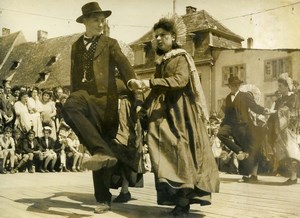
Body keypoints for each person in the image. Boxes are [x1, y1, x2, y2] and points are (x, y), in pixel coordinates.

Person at [130, 17, 220, 216]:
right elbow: (157, 88)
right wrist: (143, 108)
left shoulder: (181, 57)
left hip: (181, 112)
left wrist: (148, 83)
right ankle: (178, 199)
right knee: (160, 148)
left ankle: (183, 202)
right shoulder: (162, 60)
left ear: (173, 37)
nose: (159, 39)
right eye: (156, 36)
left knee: (180, 151)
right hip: (164, 112)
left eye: (163, 35)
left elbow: (180, 81)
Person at [62, 2, 142, 214]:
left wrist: (133, 85)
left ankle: (103, 199)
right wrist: (75, 95)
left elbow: (125, 67)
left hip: (106, 104)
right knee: (69, 105)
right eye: (96, 19)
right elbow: (73, 76)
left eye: (102, 19)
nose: (101, 23)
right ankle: (100, 150)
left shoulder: (110, 43)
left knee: (103, 151)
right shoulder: (76, 46)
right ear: (85, 22)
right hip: (85, 97)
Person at [217, 75, 270, 183]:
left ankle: (249, 175)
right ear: (229, 86)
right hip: (232, 125)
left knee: (248, 150)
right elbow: (227, 114)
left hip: (244, 127)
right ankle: (239, 151)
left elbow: (254, 107)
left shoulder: (245, 95)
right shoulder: (227, 98)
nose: (235, 86)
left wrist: (264, 110)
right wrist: (222, 125)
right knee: (220, 134)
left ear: (239, 85)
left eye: (237, 85)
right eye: (232, 85)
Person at [266, 73, 299, 185]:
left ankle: (294, 177)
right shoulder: (279, 100)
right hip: (279, 130)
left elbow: (289, 111)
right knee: (285, 153)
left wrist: (275, 112)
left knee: (292, 151)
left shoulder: (293, 97)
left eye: (280, 86)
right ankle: (292, 176)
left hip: (290, 129)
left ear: (286, 86)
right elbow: (274, 112)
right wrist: (268, 113)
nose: (278, 88)